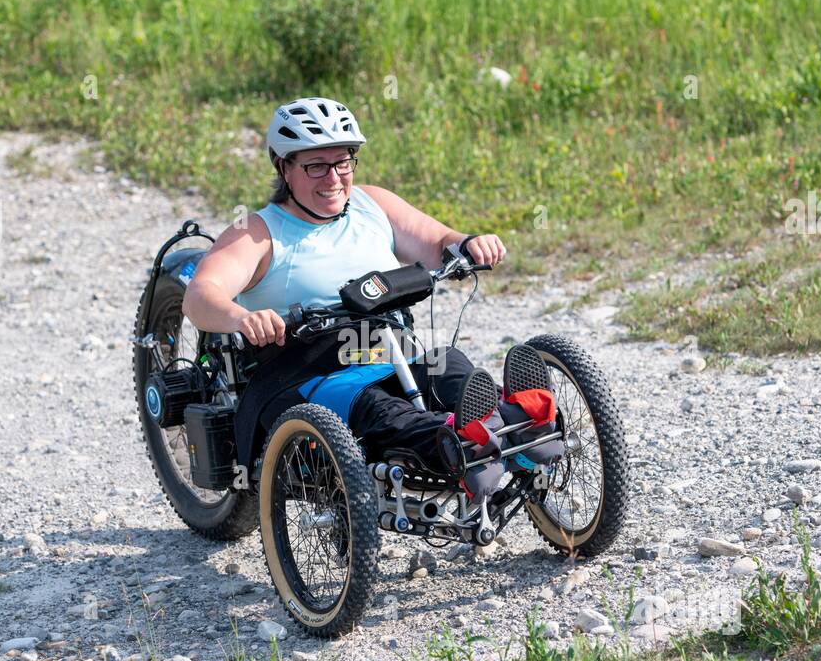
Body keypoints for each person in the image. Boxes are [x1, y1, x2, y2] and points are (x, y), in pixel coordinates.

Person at [182, 97, 561, 499]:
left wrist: (468, 244)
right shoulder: (258, 231)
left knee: (451, 368)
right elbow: (201, 295)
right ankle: (462, 446)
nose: (333, 178)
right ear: (284, 168)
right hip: (311, 374)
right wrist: (242, 318)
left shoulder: (371, 203)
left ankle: (524, 421)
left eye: (342, 162)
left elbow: (435, 241)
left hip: (394, 353)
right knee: (379, 410)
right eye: (316, 166)